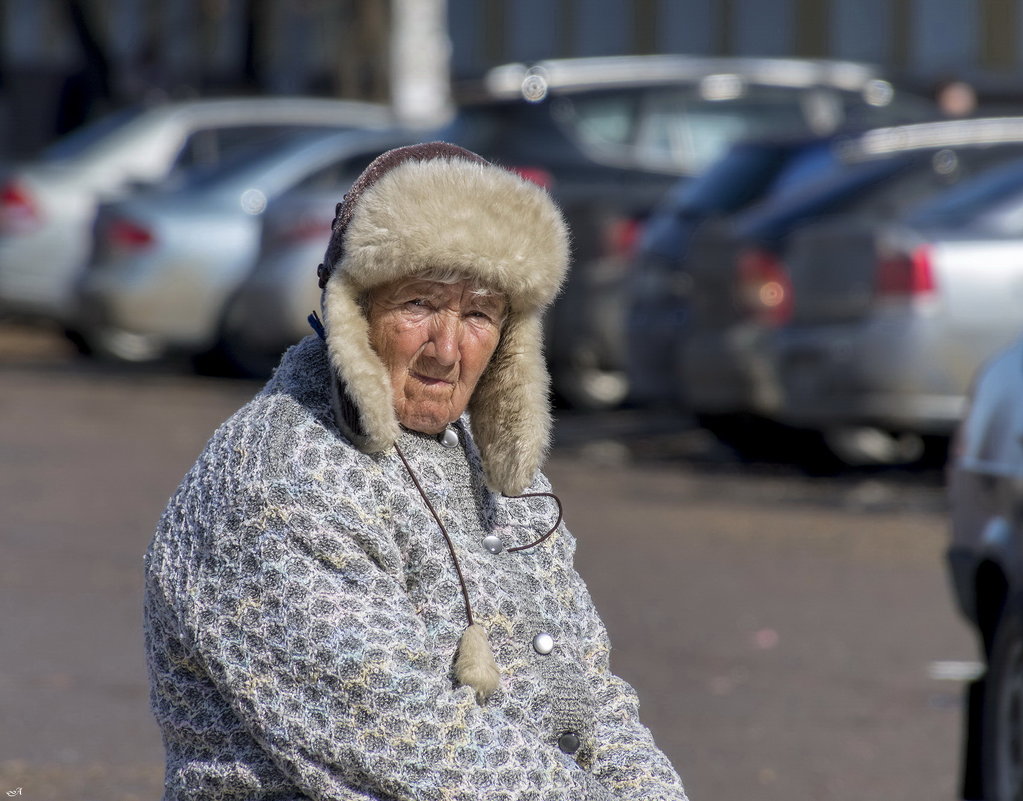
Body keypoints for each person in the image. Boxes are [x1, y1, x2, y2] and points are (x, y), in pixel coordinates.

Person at [143, 142, 690, 800]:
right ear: (354, 312)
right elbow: (418, 746)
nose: (447, 347)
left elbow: (590, 700)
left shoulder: (491, 470)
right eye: (419, 304)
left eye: (479, 314)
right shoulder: (276, 481)